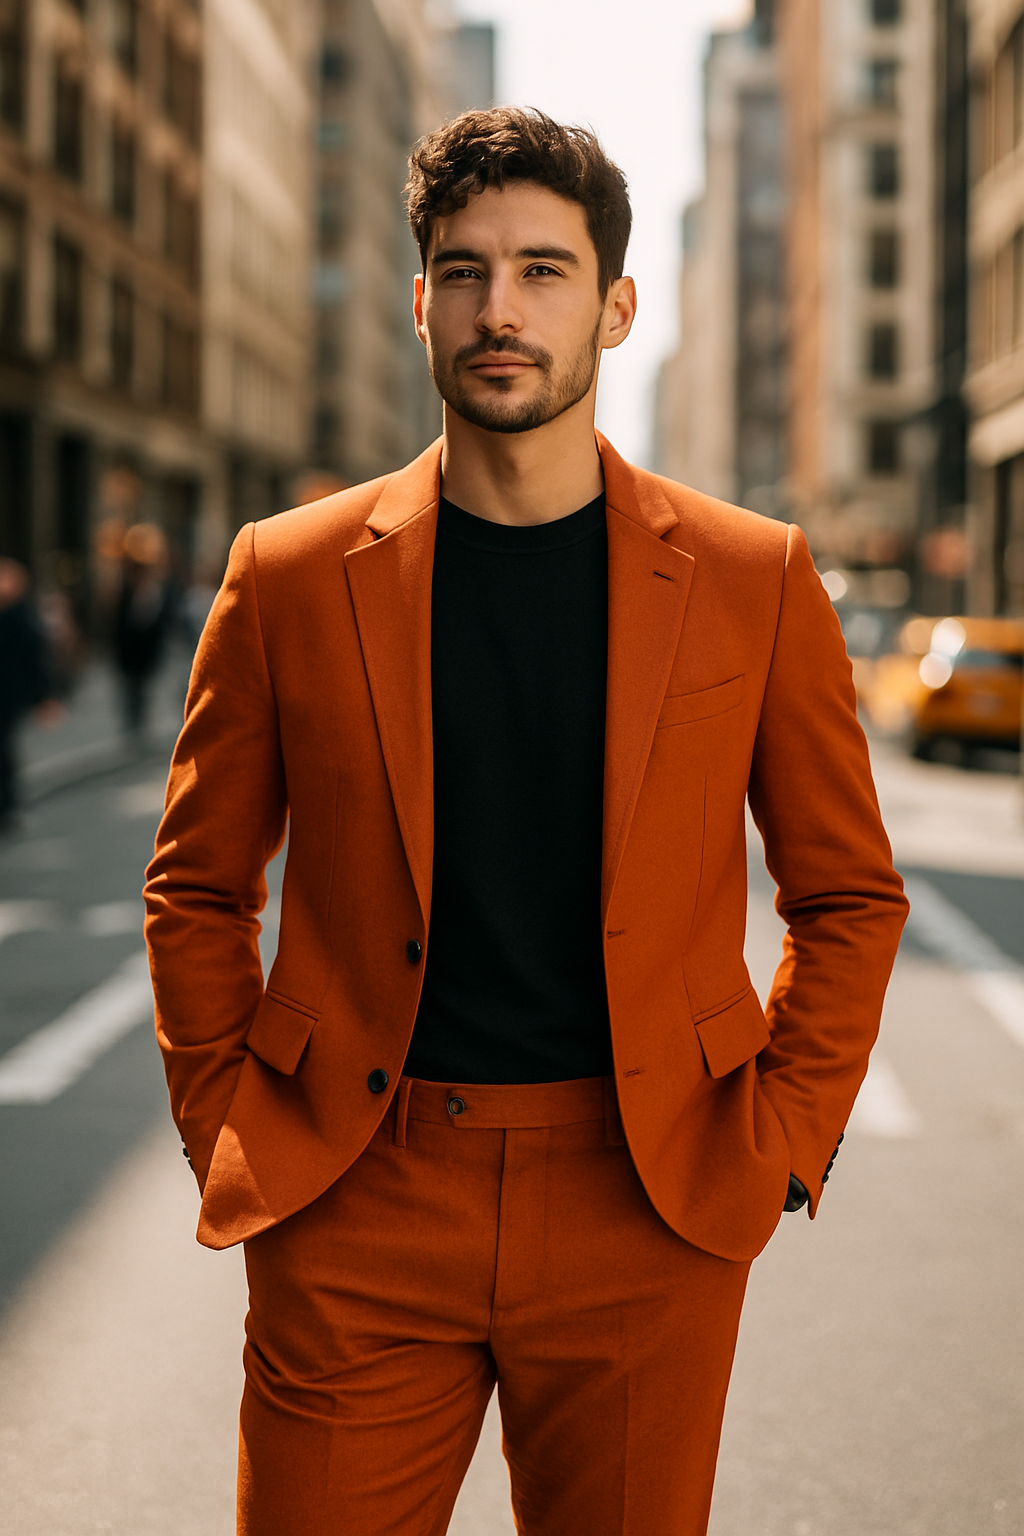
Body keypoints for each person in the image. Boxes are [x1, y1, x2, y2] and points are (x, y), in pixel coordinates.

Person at [144, 109, 909, 1536]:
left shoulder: (754, 578)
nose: (503, 310)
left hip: (649, 1201)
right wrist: (227, 1123)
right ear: (420, 301)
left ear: (617, 308)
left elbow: (848, 896)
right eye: (467, 269)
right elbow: (196, 888)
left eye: (546, 271)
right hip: (358, 1199)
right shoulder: (290, 576)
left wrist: (783, 1142)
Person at [0, 559, 56, 835]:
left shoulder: (22, 619)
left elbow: (35, 662)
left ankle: (8, 807)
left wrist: (42, 698)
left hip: (8, 698)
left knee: (5, 752)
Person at [111, 523, 174, 744]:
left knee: (143, 691)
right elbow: (119, 623)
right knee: (129, 692)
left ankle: (140, 728)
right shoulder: (125, 591)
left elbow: (162, 622)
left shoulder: (160, 593)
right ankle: (132, 727)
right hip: (128, 654)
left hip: (148, 654)